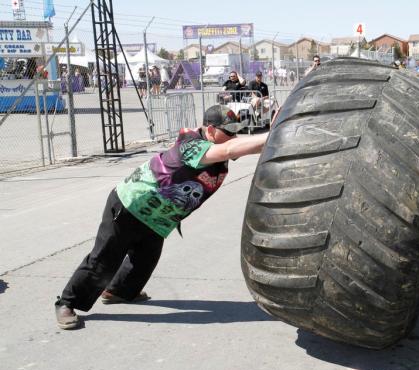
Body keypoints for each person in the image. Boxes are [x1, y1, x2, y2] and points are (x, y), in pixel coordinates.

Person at [54, 105, 269, 330]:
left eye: (236, 131)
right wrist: (273, 135)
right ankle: (67, 303)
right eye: (230, 131)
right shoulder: (191, 145)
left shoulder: (218, 142)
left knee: (145, 260)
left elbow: (239, 146)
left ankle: (118, 291)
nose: (234, 136)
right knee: (104, 259)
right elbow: (231, 149)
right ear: (212, 131)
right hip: (131, 205)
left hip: (157, 217)